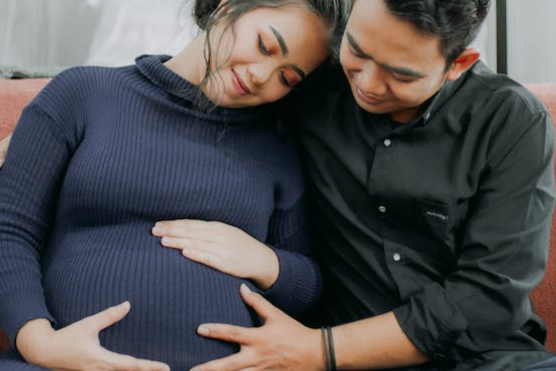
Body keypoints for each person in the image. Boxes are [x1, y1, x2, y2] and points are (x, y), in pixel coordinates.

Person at [143, 1, 556, 371]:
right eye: (357, 51)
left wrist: (317, 350)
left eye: (401, 74)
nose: (369, 85)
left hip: (492, 360)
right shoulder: (306, 82)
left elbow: (488, 299)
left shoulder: (511, 121)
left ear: (458, 64)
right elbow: (209, 85)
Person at [0, 0, 348, 370]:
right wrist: (41, 343)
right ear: (228, 6)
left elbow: (311, 285)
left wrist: (267, 262)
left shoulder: (279, 148)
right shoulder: (83, 93)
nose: (263, 75)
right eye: (265, 44)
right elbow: (11, 229)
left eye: (287, 77)